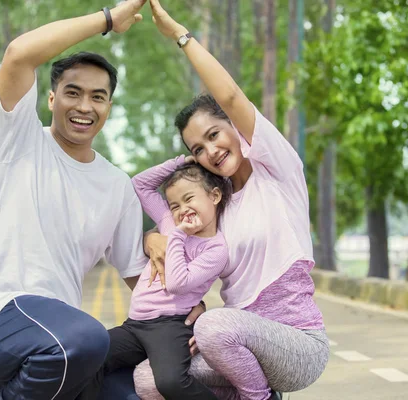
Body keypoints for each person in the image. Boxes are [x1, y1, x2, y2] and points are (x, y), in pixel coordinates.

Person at [0, 2, 203, 399]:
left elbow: (138, 274)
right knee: (89, 339)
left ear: (108, 107)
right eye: (73, 93)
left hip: (62, 340)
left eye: (97, 97)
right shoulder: (18, 142)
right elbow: (19, 54)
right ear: (52, 99)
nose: (85, 106)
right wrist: (110, 20)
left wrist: (187, 310)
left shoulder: (116, 185)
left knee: (150, 386)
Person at [130, 1, 330, 399]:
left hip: (296, 342)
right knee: (148, 380)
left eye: (215, 134)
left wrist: (180, 36)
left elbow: (233, 96)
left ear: (234, 127)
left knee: (214, 327)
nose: (211, 150)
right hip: (235, 341)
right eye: (197, 149)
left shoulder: (277, 172)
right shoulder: (217, 206)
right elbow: (177, 239)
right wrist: (153, 239)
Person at [79, 159, 232, 400]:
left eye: (189, 199)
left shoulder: (216, 249)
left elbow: (177, 283)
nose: (182, 209)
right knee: (89, 358)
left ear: (214, 196)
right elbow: (140, 184)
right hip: (135, 324)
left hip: (170, 326)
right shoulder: (169, 222)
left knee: (171, 382)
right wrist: (182, 161)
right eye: (174, 205)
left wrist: (178, 235)